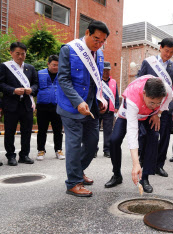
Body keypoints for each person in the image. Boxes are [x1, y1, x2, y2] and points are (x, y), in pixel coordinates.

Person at [57, 20, 109, 197]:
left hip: (91, 108)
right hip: (71, 107)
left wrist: (101, 99)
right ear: (87, 33)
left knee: (92, 143)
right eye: (96, 39)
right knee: (73, 144)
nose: (99, 44)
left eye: (103, 41)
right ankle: (73, 182)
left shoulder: (99, 54)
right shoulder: (69, 49)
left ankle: (78, 171)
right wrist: (78, 101)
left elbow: (97, 82)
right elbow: (63, 79)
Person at [105, 76, 172, 192]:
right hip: (128, 114)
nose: (155, 105)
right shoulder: (133, 98)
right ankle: (116, 175)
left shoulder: (166, 91)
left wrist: (158, 113)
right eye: (152, 102)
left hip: (149, 115)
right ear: (144, 93)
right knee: (114, 140)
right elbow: (132, 132)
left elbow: (167, 101)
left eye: (158, 103)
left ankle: (145, 177)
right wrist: (135, 163)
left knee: (154, 137)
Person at [137, 38, 173, 177]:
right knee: (147, 136)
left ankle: (159, 165)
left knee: (164, 138)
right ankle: (144, 161)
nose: (168, 54)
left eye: (171, 52)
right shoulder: (149, 63)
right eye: (166, 51)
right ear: (160, 47)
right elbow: (139, 81)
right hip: (149, 108)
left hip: (167, 107)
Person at [0, 42, 38, 166]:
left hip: (26, 104)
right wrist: (13, 90)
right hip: (11, 104)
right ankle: (11, 156)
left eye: (23, 54)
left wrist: (31, 89)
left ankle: (24, 155)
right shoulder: (5, 67)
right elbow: (1, 84)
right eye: (17, 53)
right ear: (11, 53)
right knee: (10, 131)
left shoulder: (30, 68)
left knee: (27, 131)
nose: (20, 56)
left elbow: (36, 84)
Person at [36, 55, 64, 161]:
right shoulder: (39, 74)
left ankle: (58, 150)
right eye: (54, 65)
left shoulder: (62, 75)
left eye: (58, 65)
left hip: (57, 106)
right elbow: (35, 88)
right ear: (48, 64)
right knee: (42, 130)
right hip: (43, 106)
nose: (56, 67)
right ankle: (41, 150)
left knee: (58, 130)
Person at [96, 61, 119, 158]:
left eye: (108, 70)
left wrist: (117, 107)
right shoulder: (97, 80)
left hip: (109, 110)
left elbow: (116, 95)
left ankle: (107, 150)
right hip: (97, 109)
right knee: (95, 130)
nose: (106, 72)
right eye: (104, 70)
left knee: (108, 131)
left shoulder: (113, 82)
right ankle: (93, 150)